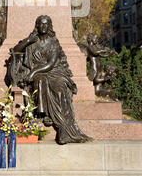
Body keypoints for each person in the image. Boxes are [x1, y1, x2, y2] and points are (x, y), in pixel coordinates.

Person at [12, 15, 92, 144]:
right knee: (40, 81)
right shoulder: (33, 41)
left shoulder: (53, 42)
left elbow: (51, 63)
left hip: (54, 71)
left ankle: (63, 128)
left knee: (60, 89)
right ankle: (44, 115)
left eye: (46, 24)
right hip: (39, 73)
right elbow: (16, 50)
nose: (43, 26)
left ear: (49, 26)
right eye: (41, 24)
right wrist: (28, 41)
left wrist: (33, 72)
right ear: (37, 26)